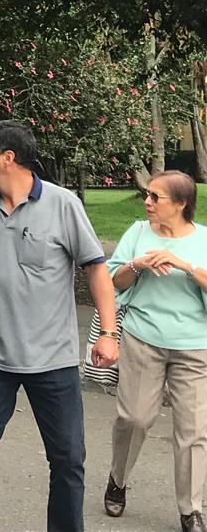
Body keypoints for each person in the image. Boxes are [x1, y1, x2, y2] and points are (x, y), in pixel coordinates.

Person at [0, 120, 119, 532]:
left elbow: (96, 268)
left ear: (8, 157)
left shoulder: (63, 204)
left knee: (68, 458)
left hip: (53, 358)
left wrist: (108, 332)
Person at [104, 170, 207, 532]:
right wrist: (137, 265)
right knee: (134, 419)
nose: (147, 202)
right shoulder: (137, 232)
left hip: (195, 347)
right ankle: (118, 479)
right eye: (147, 195)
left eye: (155, 197)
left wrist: (184, 265)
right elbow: (114, 280)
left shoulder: (204, 239)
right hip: (143, 339)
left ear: (180, 204)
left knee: (193, 430)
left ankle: (191, 509)